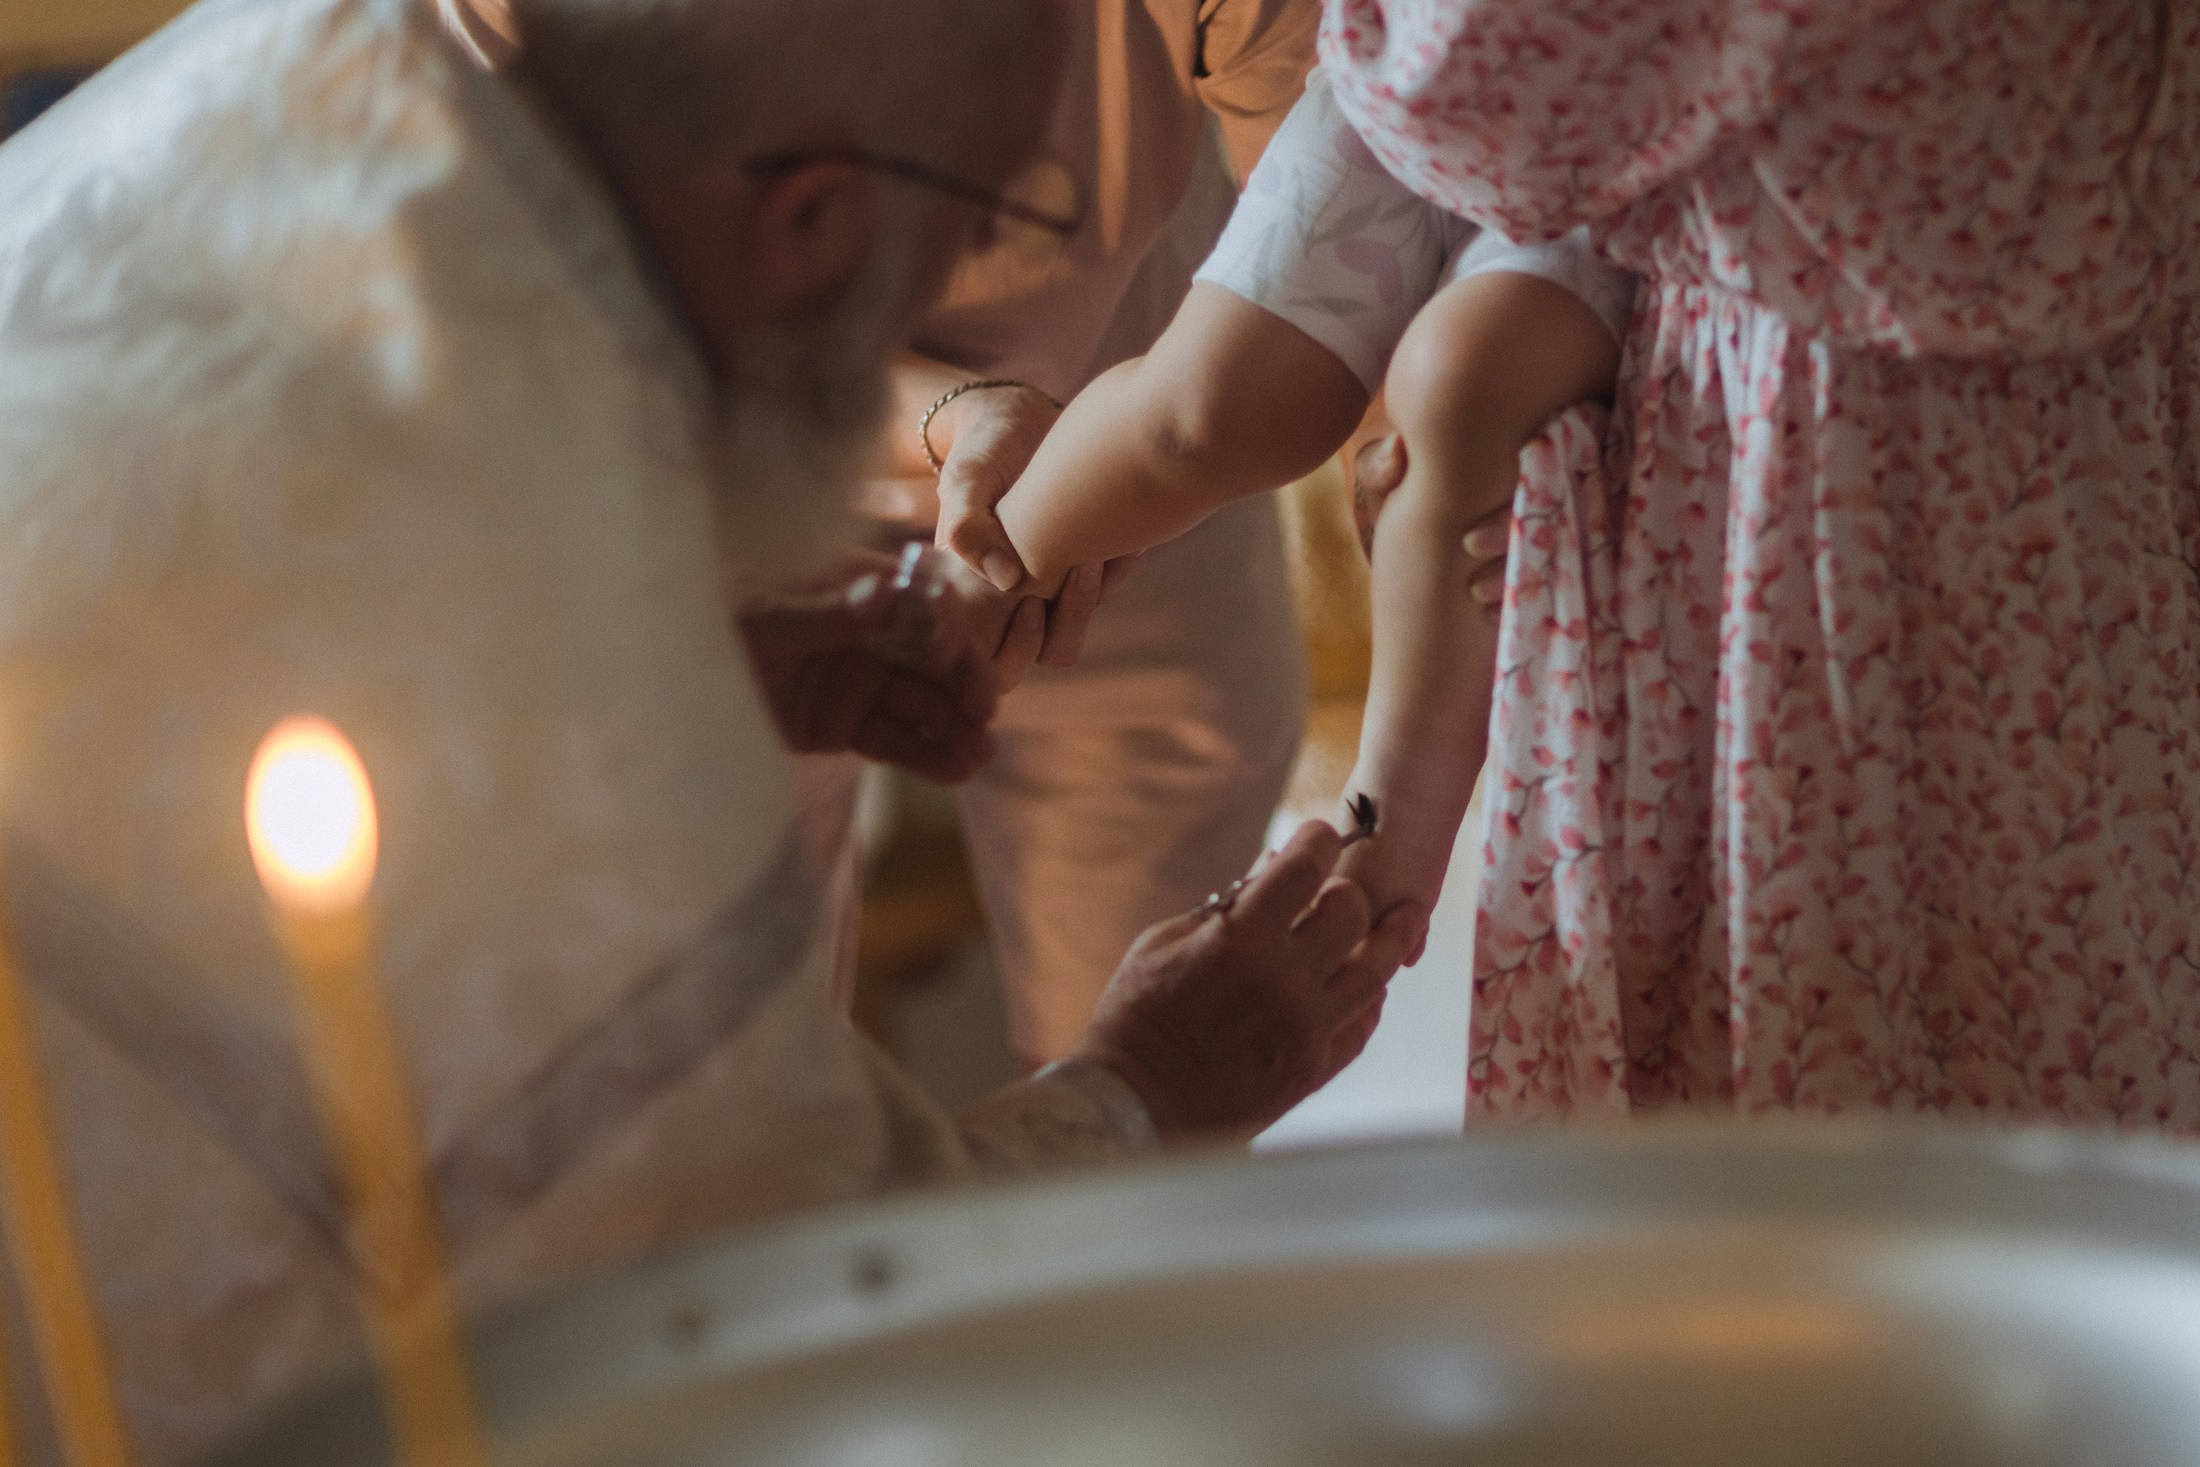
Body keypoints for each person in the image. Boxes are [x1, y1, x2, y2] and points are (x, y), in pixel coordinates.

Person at [0, 0, 1417, 1457]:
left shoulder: (298, 91)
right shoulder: (604, 736)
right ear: (812, 218)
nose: (1029, 292)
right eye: (995, 219)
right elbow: (757, 1294)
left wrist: (714, 662)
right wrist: (1146, 1089)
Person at [1322, 0, 2200, 1126]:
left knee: (1784, 1078)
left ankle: (1383, 842)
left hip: (1801, 459)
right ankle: (1382, 827)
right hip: (2105, 465)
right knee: (2086, 983)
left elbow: (1458, 90)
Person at [987, 67, 1635, 954]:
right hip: (1435, 61)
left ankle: (1378, 855)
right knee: (1209, 403)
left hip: (1625, 112)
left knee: (1467, 374)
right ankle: (970, 589)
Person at [843, 0, 1327, 1066]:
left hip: (1139, 488)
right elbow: (566, 304)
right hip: (692, 501)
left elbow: (1345, 268)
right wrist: (955, 425)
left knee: (1150, 1059)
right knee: (718, 1083)